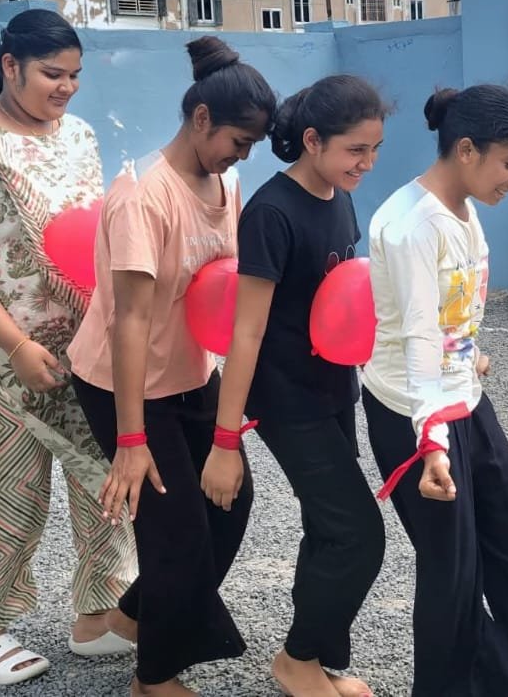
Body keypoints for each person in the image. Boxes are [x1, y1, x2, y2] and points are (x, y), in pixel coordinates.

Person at [0, 9, 135, 687]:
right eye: (51, 74)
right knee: (15, 492)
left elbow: (93, 232)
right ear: (9, 66)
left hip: (83, 345)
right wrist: (12, 343)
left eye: (74, 75)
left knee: (105, 484)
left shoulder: (80, 136)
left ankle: (97, 614)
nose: (66, 87)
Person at [69, 36, 277, 697]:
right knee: (175, 530)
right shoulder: (143, 196)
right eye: (239, 141)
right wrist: (131, 441)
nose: (243, 155)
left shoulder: (226, 184)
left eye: (252, 145)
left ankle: (136, 617)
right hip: (122, 382)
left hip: (189, 373)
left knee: (230, 502)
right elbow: (129, 320)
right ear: (201, 119)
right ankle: (153, 679)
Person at [360, 85, 508, 696]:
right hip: (414, 414)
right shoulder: (412, 226)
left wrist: (468, 351)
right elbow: (416, 337)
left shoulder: (463, 207)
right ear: (465, 150)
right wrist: (431, 443)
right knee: (452, 575)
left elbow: (449, 316)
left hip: (463, 401)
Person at [201, 76, 390, 697]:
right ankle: (297, 658)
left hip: (334, 388)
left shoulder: (339, 196)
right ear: (313, 140)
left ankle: (318, 657)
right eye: (355, 150)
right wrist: (226, 442)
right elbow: (246, 332)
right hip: (287, 401)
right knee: (358, 534)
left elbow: (345, 301)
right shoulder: (271, 213)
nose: (366, 163)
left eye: (375, 149)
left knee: (327, 526)